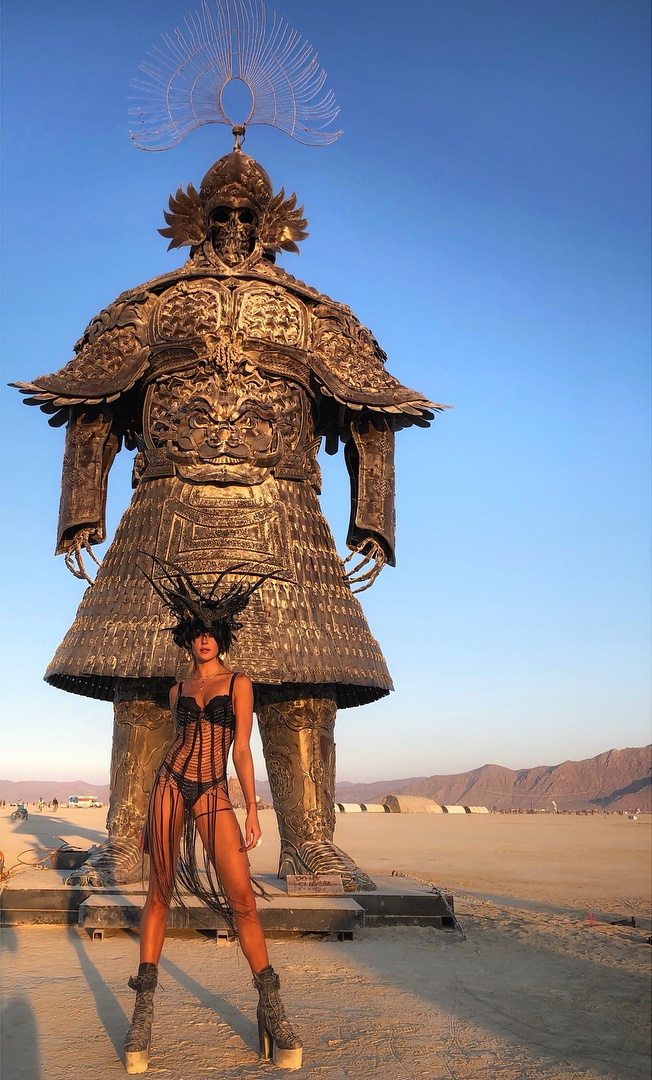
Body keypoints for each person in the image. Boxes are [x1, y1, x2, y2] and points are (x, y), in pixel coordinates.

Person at [124, 558, 301, 1075]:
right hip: (169, 784)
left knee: (242, 897)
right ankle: (143, 1015)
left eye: (212, 632)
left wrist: (253, 808)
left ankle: (272, 1007)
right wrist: (148, 818)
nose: (204, 639)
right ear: (188, 638)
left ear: (221, 637)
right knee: (158, 893)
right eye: (197, 632)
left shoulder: (238, 683)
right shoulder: (177, 691)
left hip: (214, 790)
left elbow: (241, 749)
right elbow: (174, 745)